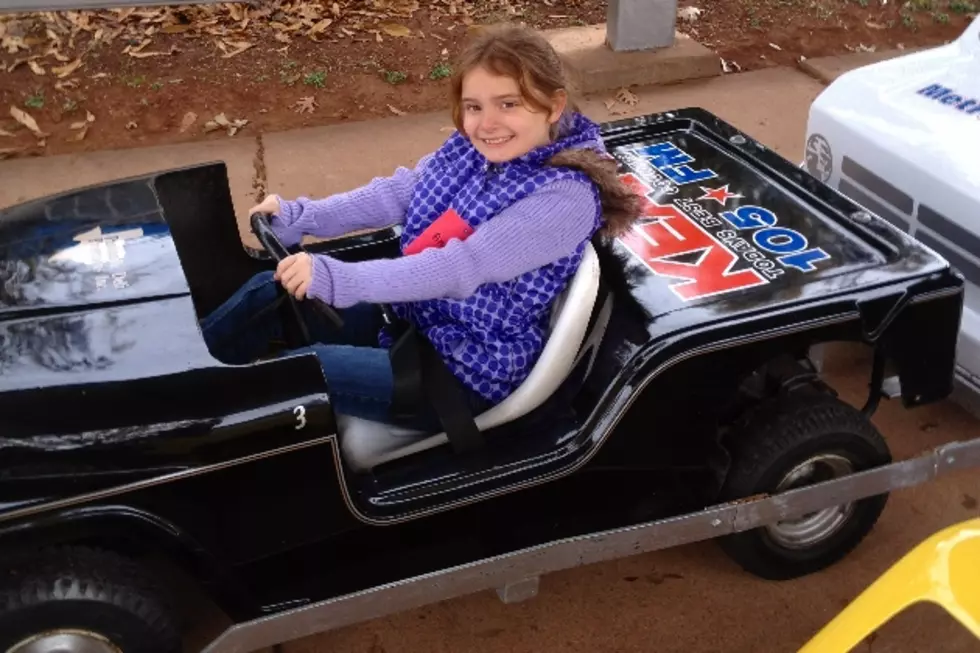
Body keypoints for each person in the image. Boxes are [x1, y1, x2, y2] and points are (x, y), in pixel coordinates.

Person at [201, 24, 642, 430]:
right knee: (269, 292)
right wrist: (305, 218)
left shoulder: (564, 198)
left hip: (464, 368)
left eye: (509, 104)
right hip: (421, 317)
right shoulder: (477, 150)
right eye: (474, 107)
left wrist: (340, 279)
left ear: (554, 105)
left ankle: (188, 427)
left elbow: (458, 268)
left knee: (299, 374)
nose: (486, 123)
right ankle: (172, 386)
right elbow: (402, 191)